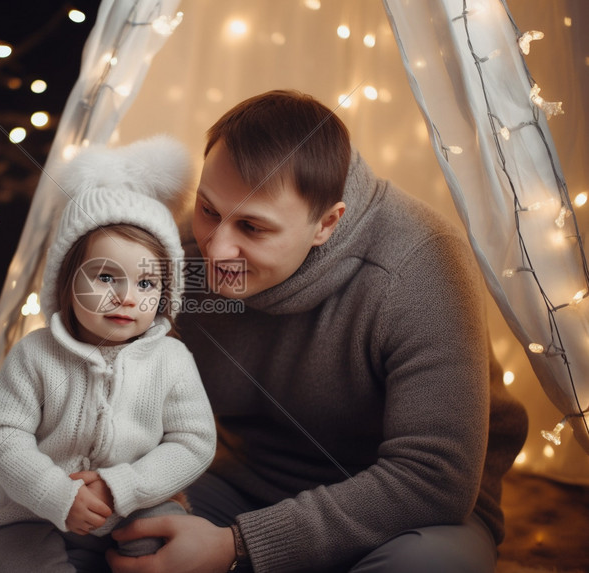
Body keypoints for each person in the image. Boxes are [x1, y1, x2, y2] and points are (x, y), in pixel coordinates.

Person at [106, 90, 529, 572]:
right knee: (114, 534)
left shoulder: (422, 263)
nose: (216, 250)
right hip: (243, 484)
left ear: (326, 223)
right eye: (208, 210)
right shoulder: (180, 249)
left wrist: (237, 547)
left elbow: (435, 480)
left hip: (411, 518)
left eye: (251, 227)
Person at [0, 135, 217, 572]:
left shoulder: (172, 360)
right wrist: (54, 493)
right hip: (34, 509)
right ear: (65, 282)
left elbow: (193, 441)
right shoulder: (35, 355)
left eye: (146, 283)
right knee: (10, 559)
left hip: (135, 503)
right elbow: (2, 436)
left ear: (166, 292)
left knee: (168, 544)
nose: (127, 297)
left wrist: (123, 485)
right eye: (106, 277)